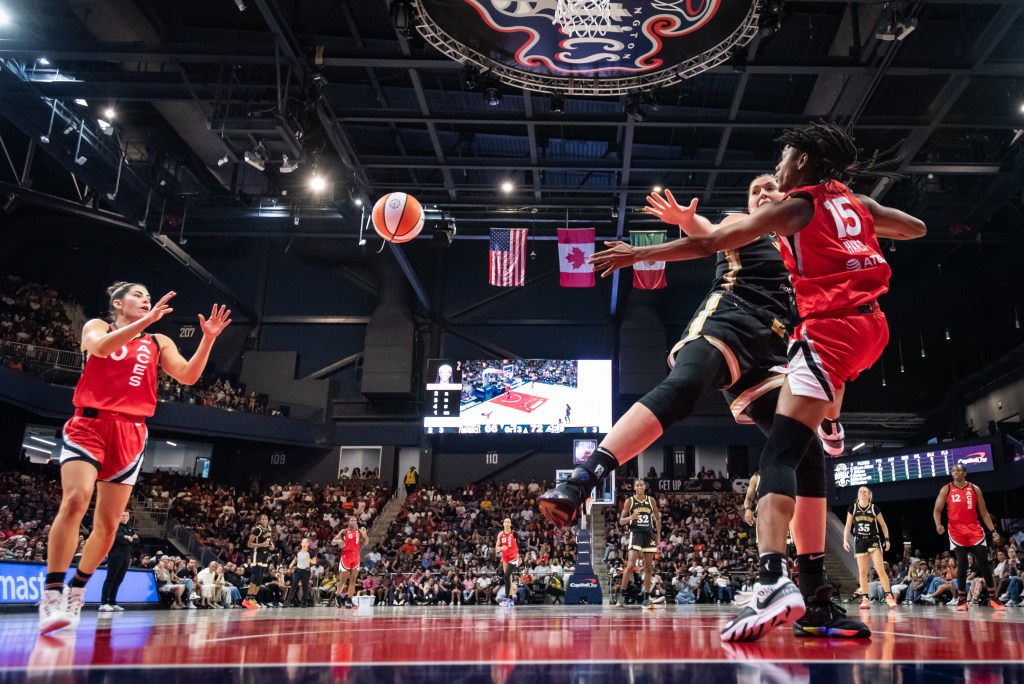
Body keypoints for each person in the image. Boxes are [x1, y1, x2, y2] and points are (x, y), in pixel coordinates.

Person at [585, 121, 926, 642]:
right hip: (791, 325)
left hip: (804, 336)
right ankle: (813, 587)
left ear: (801, 168)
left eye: (778, 172)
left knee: (787, 449)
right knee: (801, 434)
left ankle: (776, 578)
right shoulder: (789, 215)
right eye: (757, 189)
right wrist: (860, 223)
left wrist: (640, 251)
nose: (770, 182)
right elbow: (714, 236)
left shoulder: (798, 213)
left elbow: (721, 237)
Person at [39, 283, 231, 634]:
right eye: (138, 295)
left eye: (148, 296)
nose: (146, 299)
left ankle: (78, 590)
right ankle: (51, 594)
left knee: (110, 525)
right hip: (89, 423)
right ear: (118, 303)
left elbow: (187, 375)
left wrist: (208, 339)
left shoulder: (158, 342)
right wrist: (145, 322)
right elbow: (99, 348)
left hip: (131, 431)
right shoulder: (98, 327)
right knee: (75, 499)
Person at [933, 463, 1005, 610]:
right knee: (962, 562)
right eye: (953, 471)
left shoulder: (974, 488)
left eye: (958, 470)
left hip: (974, 529)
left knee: (983, 562)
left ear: (965, 473)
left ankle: (993, 598)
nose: (955, 473)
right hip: (956, 530)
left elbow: (984, 513)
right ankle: (961, 600)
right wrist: (938, 524)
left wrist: (993, 531)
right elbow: (937, 510)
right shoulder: (946, 489)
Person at [843, 486, 897, 609]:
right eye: (860, 491)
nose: (862, 493)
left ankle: (888, 596)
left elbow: (883, 525)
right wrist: (845, 540)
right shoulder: (852, 508)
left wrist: (887, 539)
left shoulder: (874, 508)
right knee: (862, 572)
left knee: (880, 569)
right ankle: (865, 598)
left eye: (865, 491)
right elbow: (847, 526)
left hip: (873, 539)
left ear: (869, 495)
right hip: (860, 541)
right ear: (858, 495)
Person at [614, 479, 661, 609]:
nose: (640, 487)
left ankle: (646, 599)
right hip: (635, 534)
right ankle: (621, 596)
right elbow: (621, 521)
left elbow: (657, 518)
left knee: (648, 568)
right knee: (630, 565)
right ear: (634, 488)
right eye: (637, 485)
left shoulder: (651, 500)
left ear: (645, 487)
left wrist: (658, 536)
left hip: (648, 535)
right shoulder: (630, 501)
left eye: (641, 485)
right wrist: (631, 518)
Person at [99, 509, 137, 613]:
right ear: (119, 517)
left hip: (126, 557)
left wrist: (129, 538)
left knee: (118, 580)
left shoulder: (130, 528)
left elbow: (137, 541)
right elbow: (119, 539)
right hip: (116, 556)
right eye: (123, 515)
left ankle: (112, 602)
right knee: (110, 579)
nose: (124, 517)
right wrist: (128, 538)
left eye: (126, 515)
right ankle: (104, 603)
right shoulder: (115, 527)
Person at [334, 517, 368, 608]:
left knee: (353, 580)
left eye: (355, 520)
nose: (354, 522)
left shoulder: (359, 532)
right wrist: (339, 541)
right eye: (352, 520)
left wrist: (365, 535)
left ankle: (349, 600)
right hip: (346, 556)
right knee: (343, 580)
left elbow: (366, 543)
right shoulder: (344, 531)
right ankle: (337, 596)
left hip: (356, 556)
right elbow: (333, 542)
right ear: (348, 522)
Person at [242, 514, 275, 609]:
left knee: (260, 578)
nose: (265, 520)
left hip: (265, 555)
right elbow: (249, 544)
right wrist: (261, 544)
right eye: (263, 519)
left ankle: (252, 598)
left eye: (266, 518)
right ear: (259, 521)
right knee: (256, 577)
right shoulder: (257, 529)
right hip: (257, 555)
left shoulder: (269, 528)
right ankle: (247, 599)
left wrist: (271, 545)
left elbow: (268, 540)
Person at [496, 517, 520, 607]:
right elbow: (496, 548)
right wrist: (501, 548)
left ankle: (509, 599)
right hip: (505, 557)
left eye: (508, 522)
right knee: (508, 578)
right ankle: (509, 599)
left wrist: (519, 556)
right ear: (503, 524)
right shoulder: (500, 534)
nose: (506, 523)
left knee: (506, 576)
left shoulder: (514, 533)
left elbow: (518, 545)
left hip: (513, 556)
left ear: (510, 524)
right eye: (505, 521)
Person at [287, 537, 316, 607]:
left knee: (305, 587)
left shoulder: (311, 552)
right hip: (298, 570)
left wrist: (308, 559)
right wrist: (291, 565)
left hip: (306, 571)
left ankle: (304, 602)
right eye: (303, 542)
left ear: (308, 544)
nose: (304, 543)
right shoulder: (298, 552)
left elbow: (314, 561)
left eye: (306, 542)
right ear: (301, 543)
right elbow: (296, 559)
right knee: (293, 585)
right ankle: (288, 601)